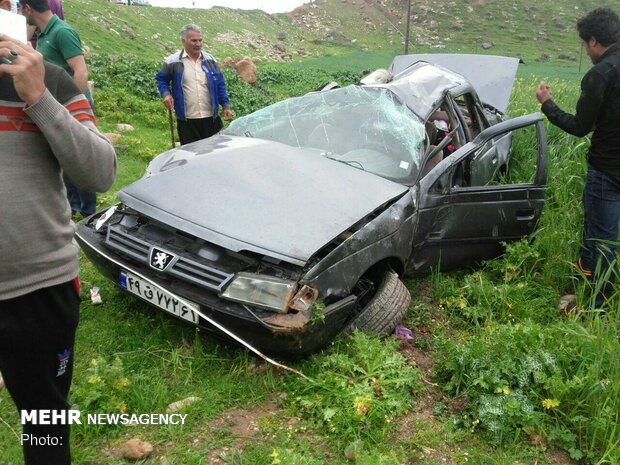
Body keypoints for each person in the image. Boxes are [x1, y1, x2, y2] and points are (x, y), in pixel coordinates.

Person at [0, 1, 117, 462]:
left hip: (37, 288)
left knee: (44, 424)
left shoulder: (46, 76)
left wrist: (38, 99)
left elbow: (102, 172)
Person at [536, 7, 620, 310]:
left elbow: (580, 127)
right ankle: (585, 280)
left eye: (586, 44)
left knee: (602, 239)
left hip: (608, 171)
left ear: (594, 41)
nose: (587, 49)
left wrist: (547, 105)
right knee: (599, 235)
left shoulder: (600, 74)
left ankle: (595, 306)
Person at [21, 0, 97, 217]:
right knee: (63, 158)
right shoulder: (44, 34)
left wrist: (75, 105)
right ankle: (72, 207)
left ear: (28, 9)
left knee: (80, 158)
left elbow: (80, 71)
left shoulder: (62, 31)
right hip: (55, 108)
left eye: (21, 8)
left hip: (72, 106)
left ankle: (89, 212)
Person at [156, 23, 233, 145]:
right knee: (190, 157)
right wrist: (166, 94)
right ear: (183, 41)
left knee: (214, 154)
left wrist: (226, 106)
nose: (198, 44)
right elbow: (161, 79)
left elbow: (220, 84)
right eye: (194, 41)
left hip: (211, 119)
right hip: (187, 120)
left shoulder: (210, 60)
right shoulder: (173, 61)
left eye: (200, 40)